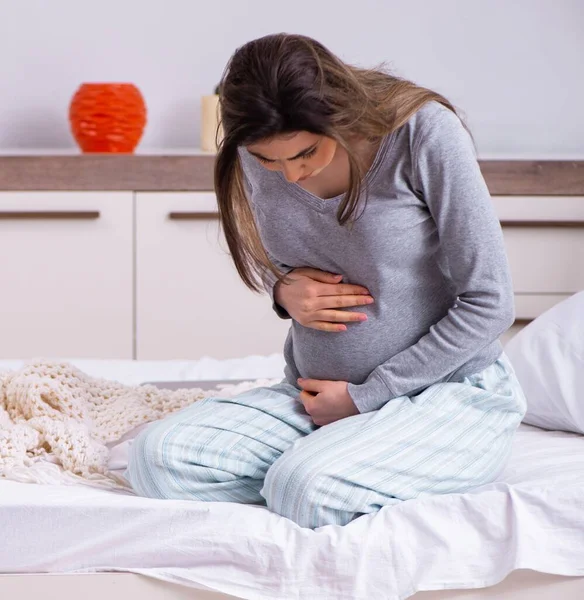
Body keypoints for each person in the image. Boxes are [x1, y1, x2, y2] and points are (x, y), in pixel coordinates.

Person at [125, 33, 526, 529]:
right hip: (314, 400)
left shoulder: (422, 134)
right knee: (155, 460)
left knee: (305, 489)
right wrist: (283, 290)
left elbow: (489, 302)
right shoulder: (261, 147)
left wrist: (366, 397)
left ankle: (337, 467)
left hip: (448, 393)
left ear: (338, 110)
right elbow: (288, 261)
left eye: (306, 153)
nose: (289, 176)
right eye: (270, 160)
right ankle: (338, 463)